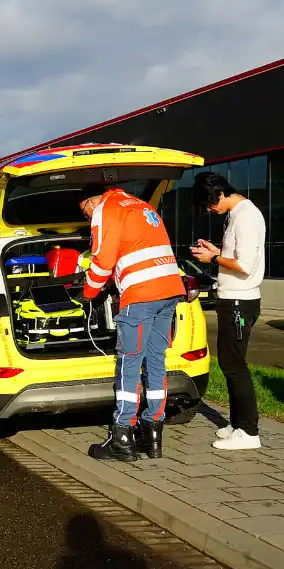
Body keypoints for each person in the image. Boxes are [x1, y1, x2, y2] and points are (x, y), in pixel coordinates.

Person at [79, 186, 186, 461]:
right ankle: (152, 436)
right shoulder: (143, 207)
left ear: (92, 200)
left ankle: (122, 436)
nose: (87, 217)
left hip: (141, 295)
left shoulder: (107, 208)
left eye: (85, 211)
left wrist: (87, 294)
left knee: (128, 363)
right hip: (170, 290)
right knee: (155, 361)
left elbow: (102, 260)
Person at [190, 172, 266, 451]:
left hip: (239, 300)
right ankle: (238, 424)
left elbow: (245, 264)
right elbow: (239, 255)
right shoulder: (237, 214)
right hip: (232, 298)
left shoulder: (246, 216)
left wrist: (213, 258)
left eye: (209, 204)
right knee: (229, 363)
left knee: (235, 365)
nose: (210, 210)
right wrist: (218, 251)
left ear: (218, 194)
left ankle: (249, 432)